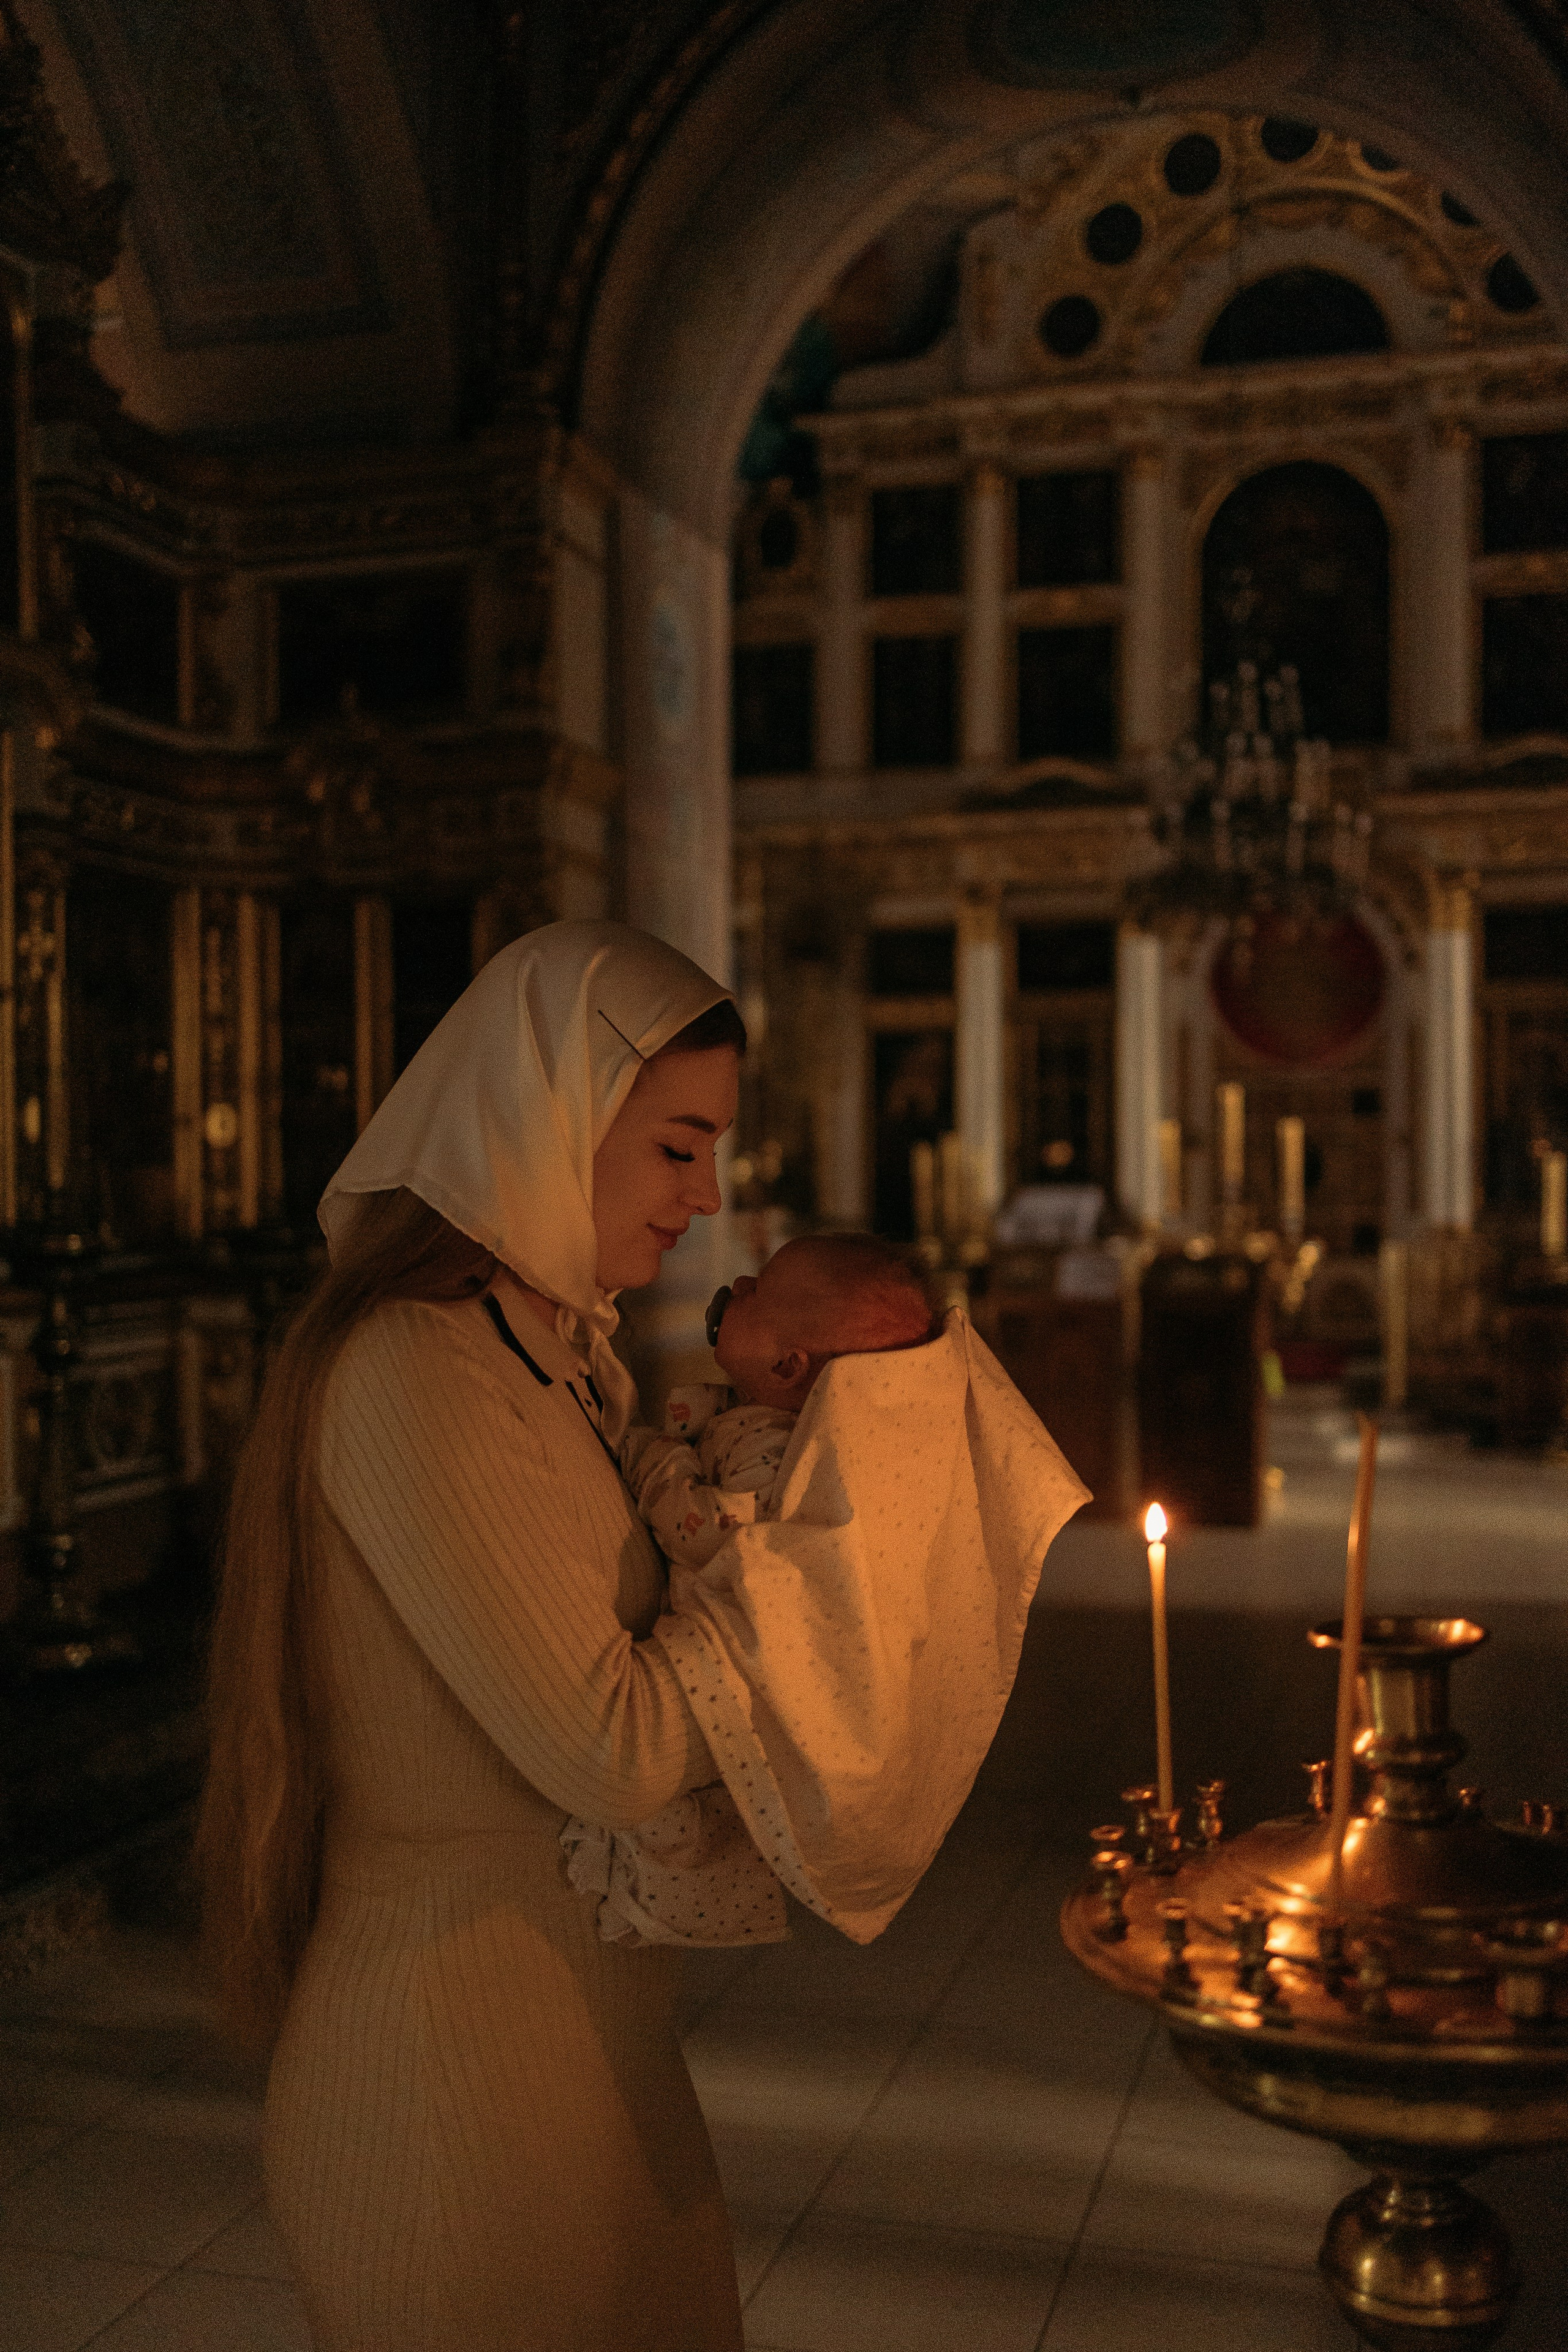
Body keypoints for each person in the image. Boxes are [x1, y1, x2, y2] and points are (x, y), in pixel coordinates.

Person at [196, 921, 754, 2352]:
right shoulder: (414, 1365)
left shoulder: (552, 1352)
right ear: (554, 1114)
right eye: (676, 1145)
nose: (708, 1191)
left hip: (586, 2048)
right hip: (452, 2071)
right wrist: (795, 1630)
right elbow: (609, 1747)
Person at [562, 1235, 937, 1948]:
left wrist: (650, 1459)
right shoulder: (758, 1420)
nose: (736, 1282)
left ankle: (646, 1892)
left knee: (682, 1800)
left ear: (789, 1363)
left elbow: (706, 1532)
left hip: (729, 1659)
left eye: (757, 1289)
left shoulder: (776, 1451)